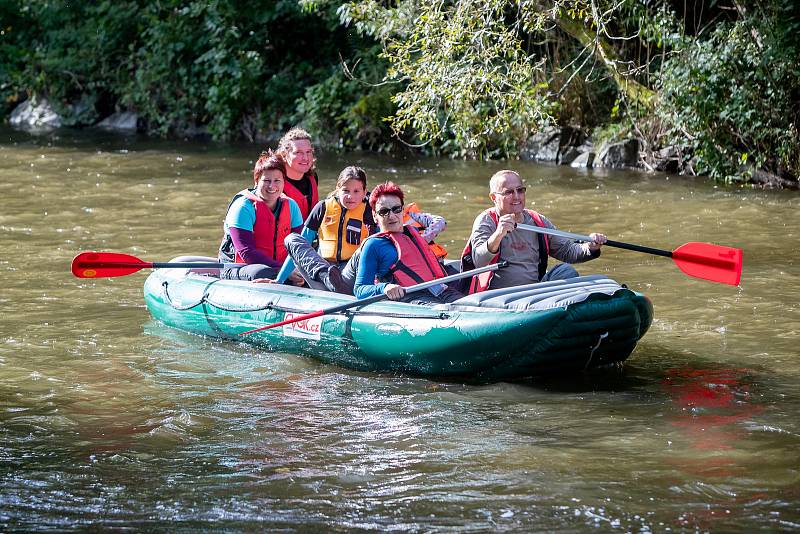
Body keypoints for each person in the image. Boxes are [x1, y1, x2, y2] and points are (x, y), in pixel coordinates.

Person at [461, 169, 607, 292]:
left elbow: (567, 250)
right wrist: (498, 234)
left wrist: (590, 247)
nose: (517, 197)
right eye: (509, 192)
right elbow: (479, 260)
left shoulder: (537, 221)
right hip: (498, 297)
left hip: (535, 293)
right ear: (494, 197)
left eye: (520, 190)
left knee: (566, 271)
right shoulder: (486, 220)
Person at [354, 182, 464, 304]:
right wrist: (384, 288)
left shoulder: (413, 233)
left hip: (441, 290)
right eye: (384, 212)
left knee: (473, 307)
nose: (391, 216)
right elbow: (360, 289)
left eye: (396, 209)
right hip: (412, 298)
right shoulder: (373, 245)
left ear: (402, 211)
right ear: (375, 216)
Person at [275, 166, 376, 291]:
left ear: (365, 192)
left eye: (356, 191)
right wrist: (279, 280)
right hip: (321, 271)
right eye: (346, 191)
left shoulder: (370, 212)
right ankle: (329, 281)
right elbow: (303, 243)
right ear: (338, 189)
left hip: (350, 275)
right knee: (292, 239)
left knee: (370, 245)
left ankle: (337, 285)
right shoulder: (322, 207)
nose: (351, 196)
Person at [217, 151, 305, 282]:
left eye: (277, 181)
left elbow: (300, 246)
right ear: (257, 181)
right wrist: (283, 270)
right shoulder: (243, 207)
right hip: (239, 267)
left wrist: (296, 270)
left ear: (284, 182)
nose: (272, 186)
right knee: (261, 272)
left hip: (278, 267)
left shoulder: (291, 206)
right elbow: (247, 253)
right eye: (266, 181)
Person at [275, 127, 318, 220]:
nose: (306, 158)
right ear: (284, 155)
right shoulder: (273, 183)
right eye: (298, 152)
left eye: (308, 152)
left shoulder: (313, 177)